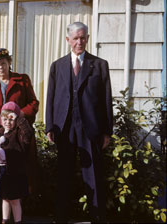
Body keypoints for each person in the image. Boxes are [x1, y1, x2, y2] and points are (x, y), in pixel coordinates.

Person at [45, 22, 113, 222]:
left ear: (88, 38)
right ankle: (62, 217)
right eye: (75, 38)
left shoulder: (99, 65)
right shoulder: (57, 66)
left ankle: (97, 218)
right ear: (68, 40)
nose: (79, 42)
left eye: (83, 37)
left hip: (90, 128)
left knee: (92, 175)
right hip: (64, 127)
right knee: (64, 175)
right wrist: (50, 126)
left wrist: (107, 131)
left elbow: (106, 100)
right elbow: (51, 98)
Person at [0, 48, 39, 221]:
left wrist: (17, 115)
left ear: (9, 63)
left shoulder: (22, 79)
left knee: (18, 170)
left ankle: (19, 212)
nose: (0, 68)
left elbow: (33, 103)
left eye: (3, 63)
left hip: (18, 134)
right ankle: (1, 212)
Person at [0, 101, 33, 224]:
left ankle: (18, 221)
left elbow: (28, 135)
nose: (8, 122)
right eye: (5, 118)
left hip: (15, 172)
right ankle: (5, 220)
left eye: (11, 119)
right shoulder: (0, 132)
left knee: (15, 200)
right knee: (5, 199)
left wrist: (20, 120)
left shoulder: (19, 133)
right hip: (2, 171)